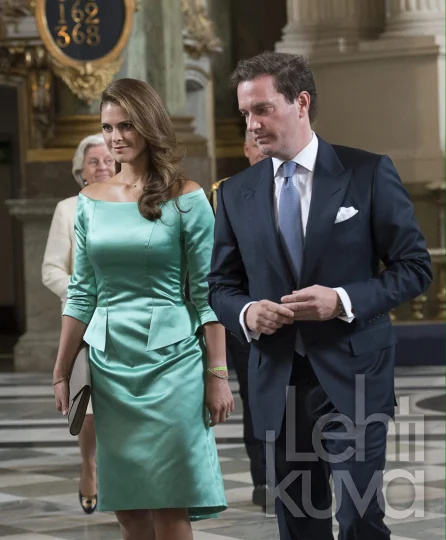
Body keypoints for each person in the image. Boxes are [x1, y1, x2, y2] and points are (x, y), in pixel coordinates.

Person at [208, 51, 432, 540]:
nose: (251, 124)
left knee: (358, 517)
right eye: (245, 113)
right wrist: (246, 311)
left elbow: (416, 268)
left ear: (301, 102)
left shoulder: (367, 173)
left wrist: (343, 300)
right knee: (300, 523)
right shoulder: (235, 193)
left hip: (354, 376)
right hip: (279, 382)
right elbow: (220, 286)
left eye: (262, 109)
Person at [52, 77, 232, 540]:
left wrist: (217, 373)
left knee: (170, 504)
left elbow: (209, 292)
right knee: (129, 509)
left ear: (149, 125)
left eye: (126, 125)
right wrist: (61, 370)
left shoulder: (187, 197)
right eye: (108, 127)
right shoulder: (89, 202)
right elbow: (81, 292)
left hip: (172, 366)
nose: (115, 137)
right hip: (110, 367)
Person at [42, 133, 115, 514]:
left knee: (119, 404)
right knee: (85, 405)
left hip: (124, 319)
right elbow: (50, 268)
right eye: (93, 162)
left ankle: (119, 473)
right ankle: (90, 465)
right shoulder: (68, 209)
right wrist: (79, 293)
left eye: (107, 159)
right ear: (80, 170)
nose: (102, 166)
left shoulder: (129, 203)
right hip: (83, 322)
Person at [209, 131, 268, 509]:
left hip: (299, 312)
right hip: (244, 317)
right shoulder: (225, 192)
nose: (262, 150)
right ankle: (265, 480)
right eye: (254, 145)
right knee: (257, 399)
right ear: (245, 150)